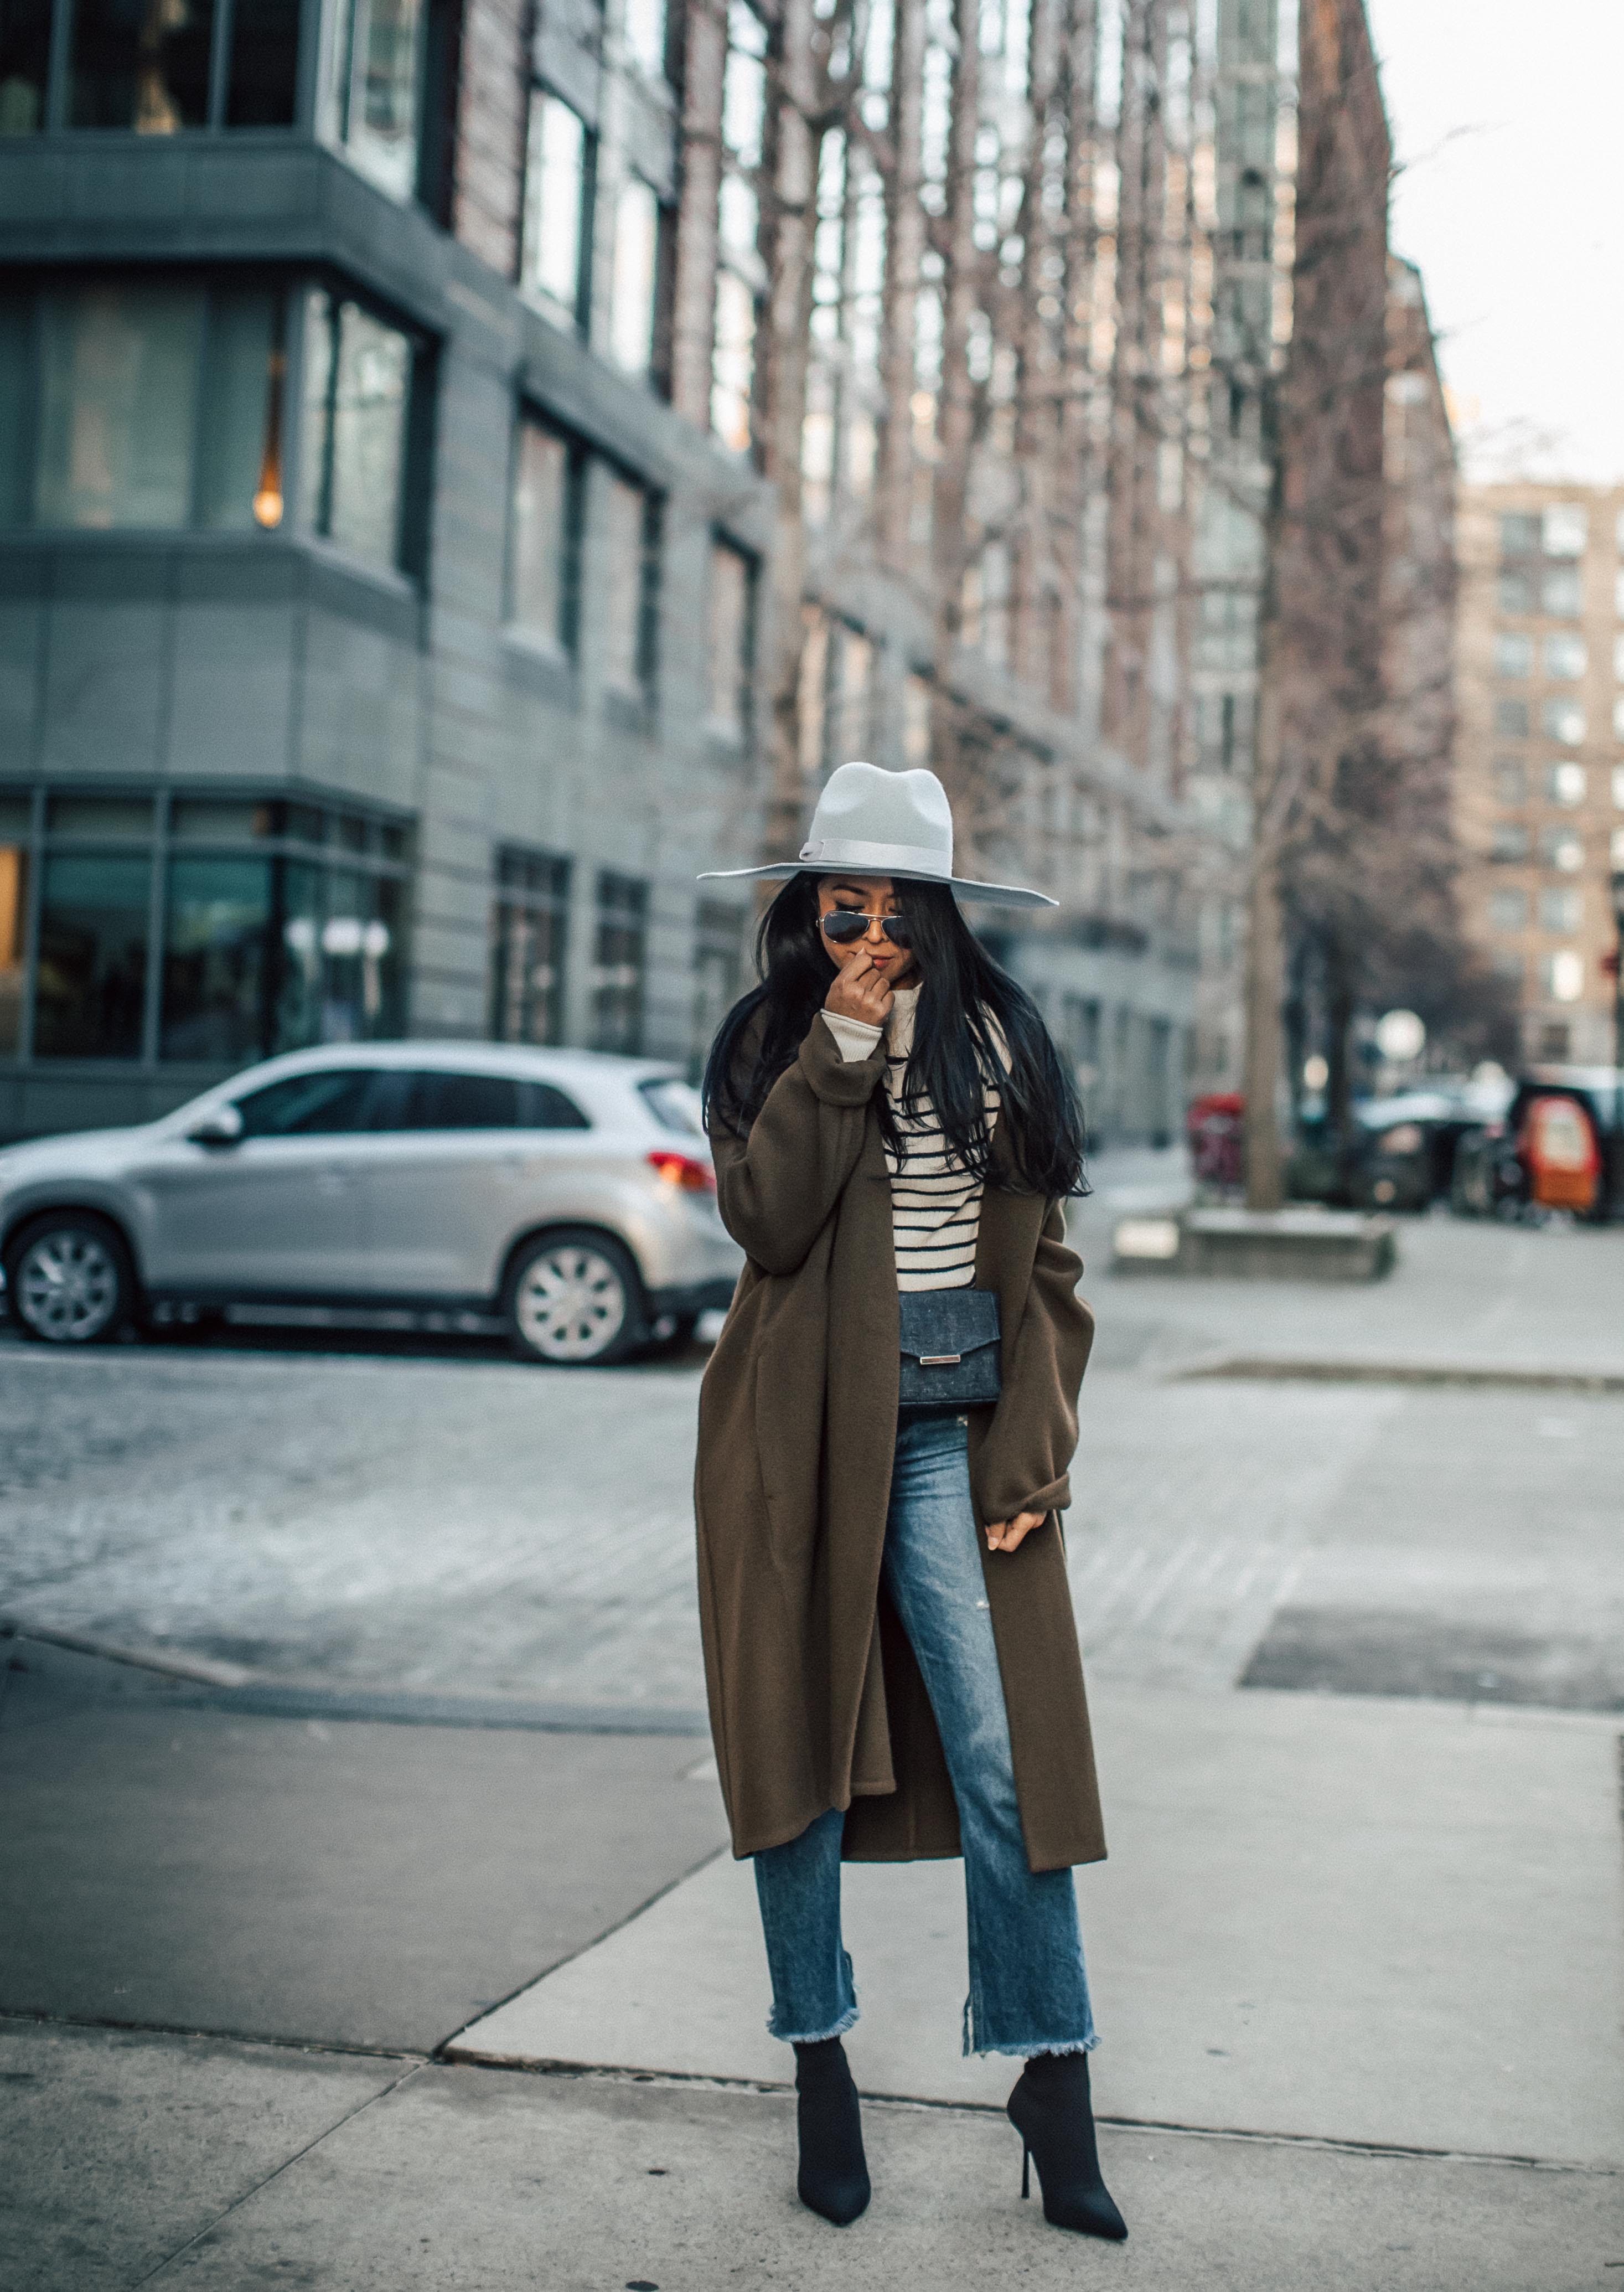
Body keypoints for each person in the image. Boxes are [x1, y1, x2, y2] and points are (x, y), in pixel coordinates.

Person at [695, 762, 1125, 2241]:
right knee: (797, 1759)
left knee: (1007, 1758)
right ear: (810, 904)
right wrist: (839, 1039)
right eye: (834, 899)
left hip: (952, 1436)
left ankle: (1051, 2073)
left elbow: (1044, 1272)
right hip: (800, 1437)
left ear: (934, 908)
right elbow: (767, 1221)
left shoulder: (998, 1038)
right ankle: (819, 2059)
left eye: (882, 902)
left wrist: (1032, 1457)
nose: (856, 924)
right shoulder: (771, 1042)